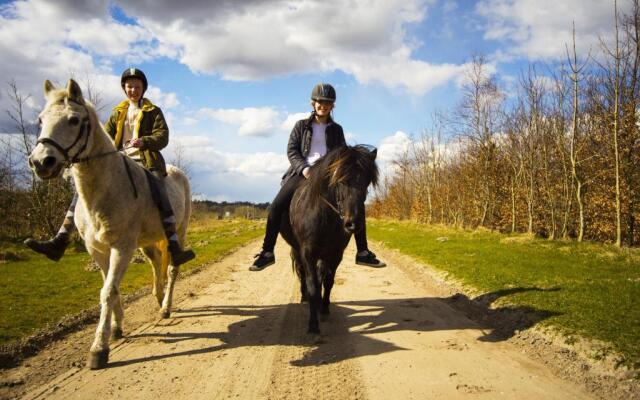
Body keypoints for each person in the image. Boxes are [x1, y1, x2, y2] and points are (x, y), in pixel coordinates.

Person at [24, 68, 195, 266]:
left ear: (143, 89)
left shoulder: (153, 111)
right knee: (81, 191)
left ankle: (174, 246)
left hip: (147, 161)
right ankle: (60, 239)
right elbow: (103, 137)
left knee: (159, 189)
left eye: (137, 86)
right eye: (129, 86)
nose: (133, 90)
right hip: (120, 162)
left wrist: (144, 141)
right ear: (125, 88)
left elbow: (162, 136)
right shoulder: (118, 112)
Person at [250, 83, 385, 271]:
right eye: (320, 102)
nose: (323, 105)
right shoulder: (301, 126)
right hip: (302, 173)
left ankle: (363, 252)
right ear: (313, 103)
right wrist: (303, 168)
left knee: (355, 205)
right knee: (275, 207)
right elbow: (292, 150)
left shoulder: (337, 129)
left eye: (327, 102)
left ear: (332, 105)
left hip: (329, 176)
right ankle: (267, 252)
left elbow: (342, 154)